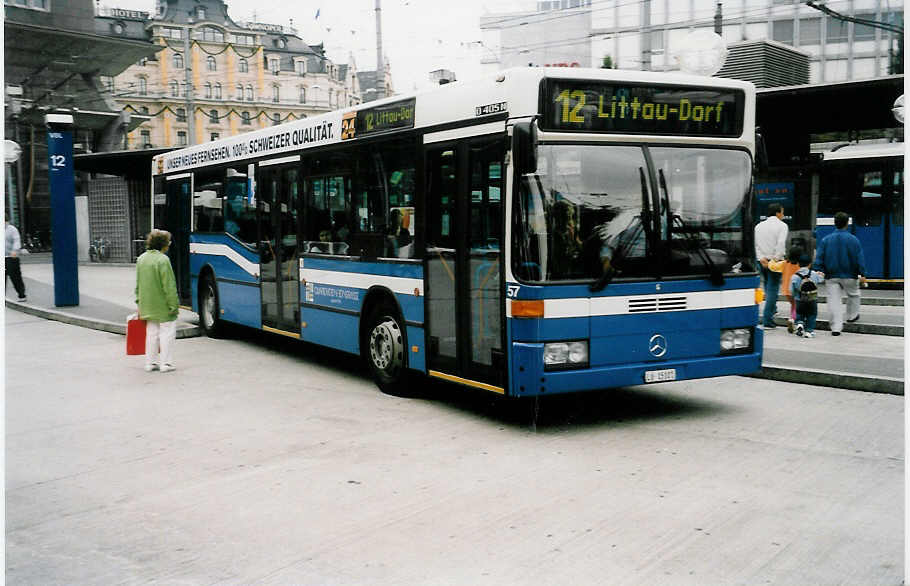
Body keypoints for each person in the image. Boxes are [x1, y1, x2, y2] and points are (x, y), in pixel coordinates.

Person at [813, 211, 866, 336]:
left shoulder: (826, 240)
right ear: (847, 223)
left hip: (831, 276)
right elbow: (859, 258)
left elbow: (819, 258)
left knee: (834, 301)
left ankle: (836, 328)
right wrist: (862, 273)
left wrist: (819, 269)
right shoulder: (853, 240)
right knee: (854, 294)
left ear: (835, 223)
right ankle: (852, 316)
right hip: (850, 275)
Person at [135, 229, 179, 372]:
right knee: (167, 333)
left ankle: (150, 363)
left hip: (147, 304)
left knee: (151, 334)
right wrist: (174, 305)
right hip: (163, 306)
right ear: (164, 245)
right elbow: (169, 285)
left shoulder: (141, 259)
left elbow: (138, 284)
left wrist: (138, 303)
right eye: (168, 242)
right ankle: (166, 364)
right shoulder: (163, 260)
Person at [754, 203, 789, 329]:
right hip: (775, 261)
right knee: (773, 289)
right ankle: (768, 319)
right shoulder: (782, 226)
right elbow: (780, 244)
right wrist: (775, 259)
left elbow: (756, 244)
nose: (783, 215)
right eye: (782, 212)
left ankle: (773, 310)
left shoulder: (758, 226)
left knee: (768, 287)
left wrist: (761, 258)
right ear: (778, 213)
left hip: (761, 260)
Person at [790, 254, 822, 338]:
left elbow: (792, 291)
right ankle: (809, 331)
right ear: (810, 264)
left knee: (800, 314)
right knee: (812, 315)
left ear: (798, 264)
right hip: (812, 299)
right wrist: (820, 275)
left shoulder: (794, 276)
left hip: (799, 299)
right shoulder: (814, 274)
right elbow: (820, 280)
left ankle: (800, 324)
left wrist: (794, 296)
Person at [551, 200, 583, 276]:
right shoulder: (551, 234)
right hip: (557, 272)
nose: (569, 220)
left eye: (570, 217)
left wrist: (574, 239)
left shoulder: (572, 231)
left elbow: (581, 248)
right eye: (567, 216)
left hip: (571, 270)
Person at [779, 246, 802, 333]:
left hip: (786, 289)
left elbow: (775, 267)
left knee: (793, 305)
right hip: (796, 289)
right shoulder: (800, 265)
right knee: (797, 306)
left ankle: (792, 318)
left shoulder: (785, 263)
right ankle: (793, 319)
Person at [5, 216, 26, 301]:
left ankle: (22, 295)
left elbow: (17, 240)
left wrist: (15, 250)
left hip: (11, 257)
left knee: (15, 277)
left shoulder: (12, 229)